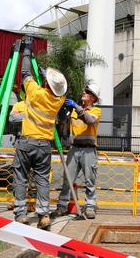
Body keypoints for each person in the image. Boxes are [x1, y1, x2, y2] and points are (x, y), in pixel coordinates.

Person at [11, 37, 67, 229]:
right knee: (42, 179)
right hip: (44, 145)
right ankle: (43, 215)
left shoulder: (35, 93)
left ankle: (20, 214)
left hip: (27, 143)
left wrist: (26, 51)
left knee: (21, 177)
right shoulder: (59, 101)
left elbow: (25, 73)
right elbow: (58, 92)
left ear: (44, 83)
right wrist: (47, 79)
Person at [52, 82, 102, 219]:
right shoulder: (73, 111)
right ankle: (62, 206)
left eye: (87, 92)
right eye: (84, 91)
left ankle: (90, 206)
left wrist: (76, 106)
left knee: (90, 180)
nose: (84, 93)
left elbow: (89, 120)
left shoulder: (95, 111)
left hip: (89, 150)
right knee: (67, 179)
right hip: (74, 149)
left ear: (93, 98)